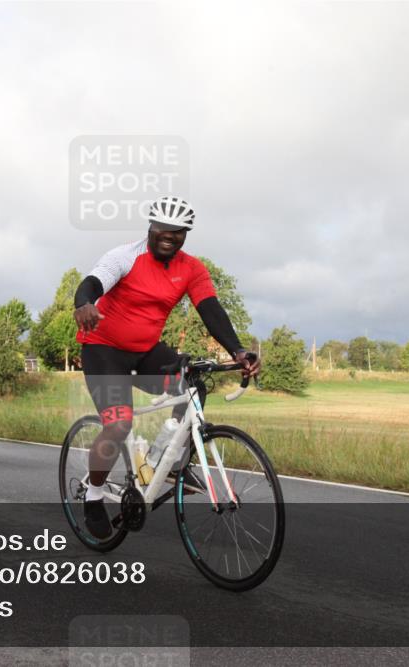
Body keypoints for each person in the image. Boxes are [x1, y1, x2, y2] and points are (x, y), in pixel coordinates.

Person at [73, 196, 260, 539]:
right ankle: (94, 494)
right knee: (118, 424)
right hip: (104, 349)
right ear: (151, 227)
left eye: (178, 232)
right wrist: (84, 303)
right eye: (163, 229)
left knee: (192, 386)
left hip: (145, 350)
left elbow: (210, 308)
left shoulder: (191, 268)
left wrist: (237, 350)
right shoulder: (125, 257)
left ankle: (168, 461)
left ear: (185, 234)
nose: (169, 237)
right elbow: (93, 283)